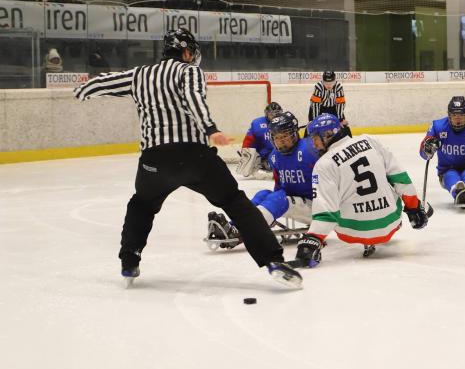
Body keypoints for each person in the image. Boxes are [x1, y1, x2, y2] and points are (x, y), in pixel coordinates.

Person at [73, 28, 302, 289]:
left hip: (154, 160)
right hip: (194, 156)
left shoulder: (140, 75)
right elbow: (194, 97)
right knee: (234, 202)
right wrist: (210, 128)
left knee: (142, 205)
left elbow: (103, 82)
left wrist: (82, 91)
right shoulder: (189, 71)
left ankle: (129, 260)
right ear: (186, 51)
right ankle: (273, 261)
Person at [293, 113, 430, 266]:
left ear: (328, 135)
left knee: (334, 198)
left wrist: (312, 240)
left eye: (315, 137)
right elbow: (400, 177)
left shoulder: (323, 165)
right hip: (392, 221)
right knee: (388, 182)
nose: (313, 142)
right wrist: (414, 208)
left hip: (352, 231)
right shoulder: (370, 140)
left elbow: (326, 212)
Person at [208, 111, 319, 248]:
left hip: (318, 208)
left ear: (295, 133)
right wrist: (269, 212)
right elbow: (279, 187)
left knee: (278, 199)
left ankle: (244, 231)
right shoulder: (275, 156)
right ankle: (231, 226)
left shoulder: (311, 149)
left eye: (285, 136)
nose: (281, 141)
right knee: (264, 194)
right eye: (277, 137)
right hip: (297, 203)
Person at [236, 101, 283, 177]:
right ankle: (261, 164)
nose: (275, 116)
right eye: (272, 114)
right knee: (246, 168)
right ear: (266, 114)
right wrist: (246, 154)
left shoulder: (284, 122)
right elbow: (249, 141)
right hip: (263, 156)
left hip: (279, 153)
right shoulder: (257, 123)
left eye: (277, 113)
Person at [308, 70, 349, 135]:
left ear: (335, 81)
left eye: (331, 83)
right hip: (319, 108)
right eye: (326, 83)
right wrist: (314, 120)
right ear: (323, 81)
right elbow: (315, 105)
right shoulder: (318, 87)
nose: (329, 85)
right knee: (312, 128)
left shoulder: (338, 87)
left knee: (344, 126)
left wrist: (340, 119)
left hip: (333, 108)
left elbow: (340, 104)